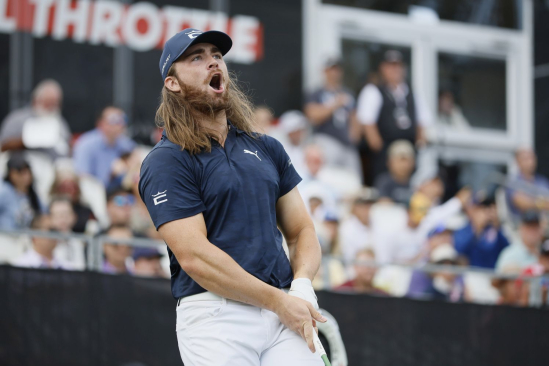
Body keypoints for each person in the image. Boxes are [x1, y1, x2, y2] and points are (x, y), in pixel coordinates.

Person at [139, 28, 326, 365]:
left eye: (217, 55)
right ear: (173, 83)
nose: (213, 62)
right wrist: (278, 301)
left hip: (283, 307)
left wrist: (301, 286)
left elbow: (302, 232)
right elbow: (195, 257)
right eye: (197, 58)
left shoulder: (267, 147)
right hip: (214, 314)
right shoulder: (166, 159)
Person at [356, 50, 431, 179]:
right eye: (391, 66)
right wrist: (385, 155)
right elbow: (368, 125)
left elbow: (422, 125)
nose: (395, 70)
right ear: (383, 68)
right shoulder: (373, 91)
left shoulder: (413, 94)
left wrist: (417, 150)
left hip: (409, 154)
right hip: (385, 157)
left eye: (398, 66)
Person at [304, 57, 361, 174]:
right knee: (327, 176)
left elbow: (355, 116)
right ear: (325, 71)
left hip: (347, 144)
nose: (334, 73)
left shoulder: (348, 93)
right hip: (326, 141)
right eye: (331, 69)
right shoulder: (317, 93)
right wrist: (335, 104)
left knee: (353, 178)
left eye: (337, 70)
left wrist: (354, 136)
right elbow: (312, 115)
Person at [0, 79, 71, 159]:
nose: (52, 107)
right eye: (48, 102)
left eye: (56, 103)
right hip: (22, 167)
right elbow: (3, 146)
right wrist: (26, 140)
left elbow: (67, 148)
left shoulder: (60, 123)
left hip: (52, 167)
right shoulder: (17, 119)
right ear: (36, 100)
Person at [73, 107, 136, 187]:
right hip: (94, 193)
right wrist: (111, 174)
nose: (119, 124)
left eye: (123, 119)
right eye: (114, 120)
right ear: (100, 123)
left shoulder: (126, 144)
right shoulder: (85, 144)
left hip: (119, 193)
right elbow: (82, 178)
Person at [454, 193, 509, 269]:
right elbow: (459, 251)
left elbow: (507, 250)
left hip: (493, 274)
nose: (485, 212)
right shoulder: (463, 229)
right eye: (480, 208)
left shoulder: (495, 229)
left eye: (487, 208)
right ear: (471, 210)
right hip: (472, 275)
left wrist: (497, 227)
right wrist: (477, 228)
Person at [0, 153, 42, 230]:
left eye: (27, 172)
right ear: (11, 174)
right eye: (21, 172)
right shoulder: (5, 192)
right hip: (6, 238)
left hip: (28, 238)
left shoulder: (33, 195)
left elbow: (43, 214)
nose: (26, 176)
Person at [338, 188, 376, 269]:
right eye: (362, 205)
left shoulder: (377, 224)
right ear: (355, 207)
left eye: (369, 205)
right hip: (354, 271)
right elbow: (349, 258)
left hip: (376, 269)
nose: (366, 209)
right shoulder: (347, 227)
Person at [506, 148, 549, 217]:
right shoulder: (513, 182)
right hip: (521, 225)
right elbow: (523, 204)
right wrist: (541, 203)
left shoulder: (543, 181)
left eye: (532, 158)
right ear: (517, 161)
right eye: (526, 159)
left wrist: (532, 202)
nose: (530, 162)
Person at [49, 196, 86, 270]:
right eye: (58, 215)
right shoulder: (43, 241)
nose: (62, 218)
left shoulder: (81, 242)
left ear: (74, 216)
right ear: (49, 218)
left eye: (66, 214)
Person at [374, 140, 415, 204]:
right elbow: (383, 204)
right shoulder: (383, 181)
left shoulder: (418, 181)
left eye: (406, 160)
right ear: (389, 162)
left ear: (413, 162)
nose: (403, 165)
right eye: (399, 160)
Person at [275, 110, 308, 177]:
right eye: (295, 131)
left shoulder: (308, 148)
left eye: (300, 130)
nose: (298, 134)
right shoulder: (279, 151)